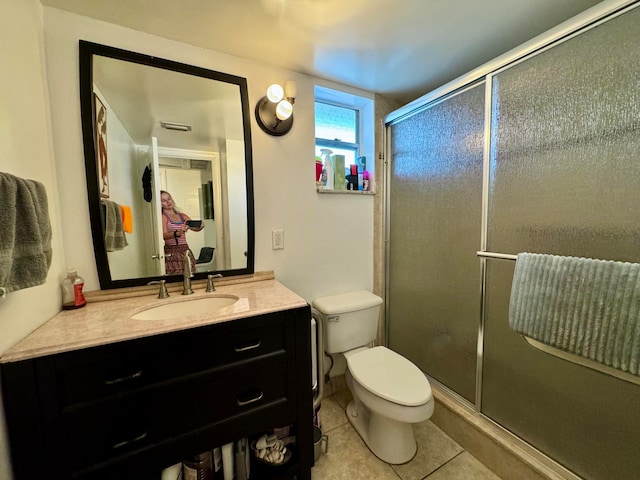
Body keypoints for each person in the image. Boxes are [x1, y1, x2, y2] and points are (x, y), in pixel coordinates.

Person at [160, 190, 204, 275]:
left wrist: (201, 226)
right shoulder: (163, 217)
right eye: (163, 201)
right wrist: (177, 233)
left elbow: (194, 228)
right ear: (160, 204)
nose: (168, 202)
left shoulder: (182, 216)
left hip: (184, 250)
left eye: (169, 199)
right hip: (171, 251)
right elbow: (163, 235)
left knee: (189, 275)